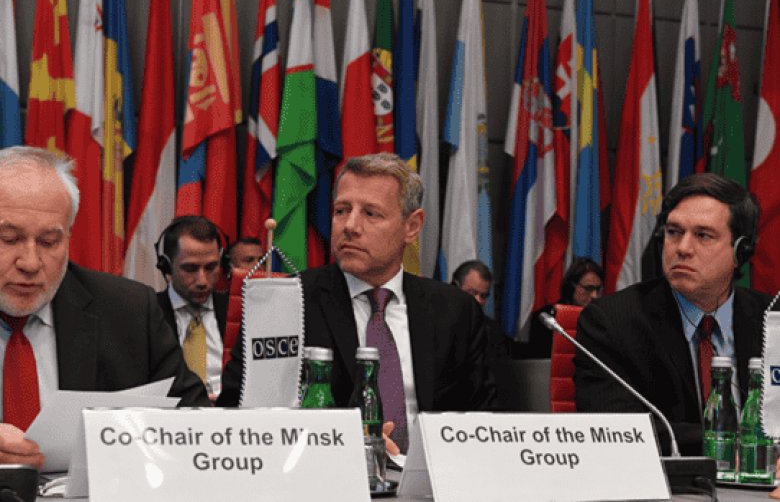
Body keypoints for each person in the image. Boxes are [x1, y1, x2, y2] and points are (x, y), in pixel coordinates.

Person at [219, 152, 497, 453]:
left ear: (412, 227)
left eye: (371, 214)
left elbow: (483, 423)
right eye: (341, 210)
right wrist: (348, 445)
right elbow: (239, 415)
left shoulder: (456, 311)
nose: (349, 226)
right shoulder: (286, 301)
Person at [0, 146, 209, 468]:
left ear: (68, 237)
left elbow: (197, 427)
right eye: (9, 238)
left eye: (49, 242)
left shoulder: (129, 312)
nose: (30, 263)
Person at [574, 173, 771, 456]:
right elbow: (616, 431)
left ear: (741, 251)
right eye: (674, 232)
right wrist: (737, 445)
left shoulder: (772, 320)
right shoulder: (613, 322)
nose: (682, 248)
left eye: (703, 235)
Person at [155, 216, 228, 403]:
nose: (202, 281)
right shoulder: (149, 313)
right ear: (166, 266)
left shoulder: (238, 311)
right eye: (190, 269)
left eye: (211, 267)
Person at [521, 258, 604, 359]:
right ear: (572, 286)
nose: (595, 295)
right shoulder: (548, 318)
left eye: (598, 289)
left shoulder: (601, 320)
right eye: (589, 288)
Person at [452, 260, 515, 360]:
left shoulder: (494, 331)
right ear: (455, 287)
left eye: (484, 296)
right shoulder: (436, 324)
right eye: (472, 292)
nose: (479, 300)